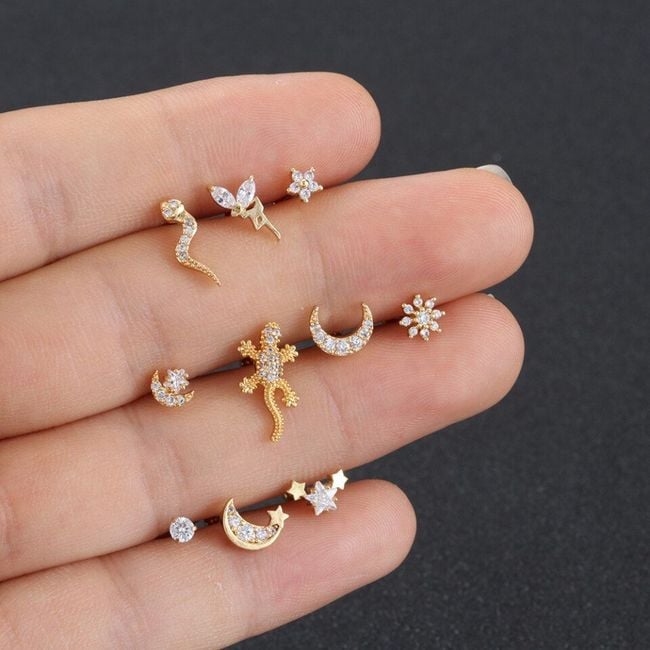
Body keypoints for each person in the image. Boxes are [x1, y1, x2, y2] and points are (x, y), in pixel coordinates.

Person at [0, 72, 533, 647]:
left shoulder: (267, 347)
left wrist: (266, 369)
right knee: (275, 404)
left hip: (266, 376)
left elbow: (267, 360)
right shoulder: (260, 345)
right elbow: (259, 357)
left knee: (279, 404)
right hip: (258, 375)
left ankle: (273, 415)